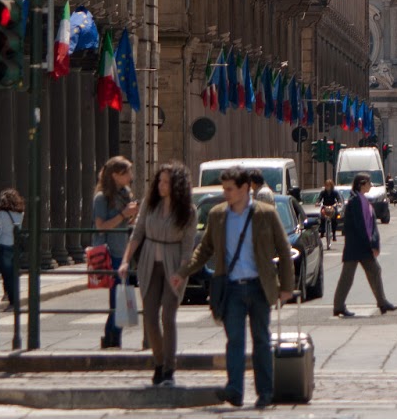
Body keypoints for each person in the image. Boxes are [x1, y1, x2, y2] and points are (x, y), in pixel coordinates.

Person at [174, 168, 294, 409]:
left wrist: (286, 287)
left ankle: (265, 392)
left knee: (261, 340)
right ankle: (235, 391)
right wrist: (183, 272)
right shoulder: (218, 215)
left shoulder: (266, 214)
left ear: (244, 188)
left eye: (229, 189)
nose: (225, 193)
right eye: (224, 188)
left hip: (259, 286)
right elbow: (205, 249)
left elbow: (284, 249)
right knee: (235, 341)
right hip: (231, 288)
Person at [123, 163, 195, 387]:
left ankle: (169, 369)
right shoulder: (149, 204)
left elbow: (187, 246)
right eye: (160, 181)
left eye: (167, 182)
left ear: (177, 186)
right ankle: (158, 362)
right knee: (150, 317)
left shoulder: (188, 211)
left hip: (173, 264)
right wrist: (126, 260)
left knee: (168, 316)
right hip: (148, 263)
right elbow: (138, 232)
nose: (162, 186)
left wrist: (182, 272)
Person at [331, 173, 397, 318]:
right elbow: (361, 225)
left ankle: (382, 303)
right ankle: (340, 306)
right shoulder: (356, 201)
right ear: (361, 184)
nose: (370, 185)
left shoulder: (361, 200)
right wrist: (370, 243)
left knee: (372, 271)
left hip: (359, 246)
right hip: (358, 246)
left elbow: (370, 223)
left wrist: (373, 241)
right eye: (368, 183)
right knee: (349, 277)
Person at [92, 156, 138, 349]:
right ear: (115, 175)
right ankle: (111, 339)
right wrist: (123, 214)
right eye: (126, 172)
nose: (130, 176)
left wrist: (132, 216)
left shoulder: (125, 193)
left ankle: (112, 338)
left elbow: (126, 222)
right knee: (118, 298)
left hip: (123, 250)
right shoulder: (102, 197)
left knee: (121, 297)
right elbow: (101, 226)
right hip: (110, 252)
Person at [0, 189, 24, 310]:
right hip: (15, 246)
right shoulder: (20, 214)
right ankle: (13, 298)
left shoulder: (0, 214)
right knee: (14, 274)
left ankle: (12, 300)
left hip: (4, 244)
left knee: (7, 275)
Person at [317, 180, 341, 247]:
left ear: (331, 186)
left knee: (334, 218)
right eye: (326, 185)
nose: (327, 186)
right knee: (322, 217)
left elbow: (338, 198)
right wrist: (317, 202)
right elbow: (319, 198)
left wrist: (339, 203)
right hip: (325, 206)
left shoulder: (335, 192)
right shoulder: (323, 192)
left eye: (329, 185)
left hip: (332, 206)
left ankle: (333, 235)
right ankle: (322, 231)